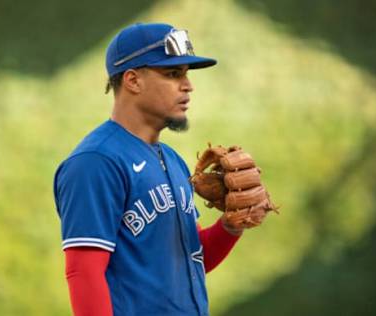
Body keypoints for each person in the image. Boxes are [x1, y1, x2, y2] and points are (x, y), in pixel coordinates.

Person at [53, 22, 247, 316]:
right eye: (172, 74)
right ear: (133, 80)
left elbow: (189, 261)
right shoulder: (96, 162)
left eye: (186, 74)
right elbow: (84, 272)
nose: (188, 85)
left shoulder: (172, 159)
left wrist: (230, 227)